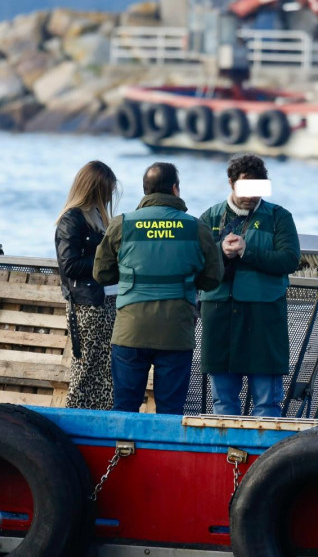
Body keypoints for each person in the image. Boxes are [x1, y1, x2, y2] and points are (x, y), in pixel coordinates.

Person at [93, 162, 223, 415]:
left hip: (131, 330)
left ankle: (122, 453)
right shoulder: (197, 228)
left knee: (124, 408)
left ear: (145, 190)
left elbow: (101, 273)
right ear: (175, 189)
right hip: (176, 331)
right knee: (170, 410)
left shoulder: (122, 224)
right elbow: (212, 279)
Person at [199, 154, 301, 417]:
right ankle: (226, 457)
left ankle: (263, 455)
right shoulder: (209, 217)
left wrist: (248, 251)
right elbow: (196, 265)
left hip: (263, 318)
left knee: (267, 404)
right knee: (223, 403)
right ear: (231, 183)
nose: (250, 195)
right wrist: (220, 252)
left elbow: (290, 259)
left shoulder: (279, 217)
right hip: (220, 316)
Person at [55, 160, 119, 410]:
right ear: (96, 188)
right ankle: (77, 417)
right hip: (87, 306)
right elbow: (68, 265)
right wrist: (106, 261)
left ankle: (100, 422)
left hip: (107, 302)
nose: (111, 194)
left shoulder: (99, 217)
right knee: (86, 370)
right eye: (108, 190)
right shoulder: (73, 219)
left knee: (106, 373)